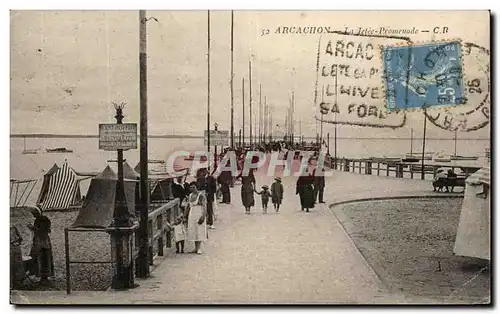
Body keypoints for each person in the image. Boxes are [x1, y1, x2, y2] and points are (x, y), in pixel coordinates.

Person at [27, 206, 54, 283]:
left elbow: (44, 231)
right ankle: (40, 276)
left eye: (34, 213)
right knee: (38, 257)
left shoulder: (44, 219)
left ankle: (44, 277)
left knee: (43, 257)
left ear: (38, 212)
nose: (33, 215)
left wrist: (33, 228)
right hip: (40, 240)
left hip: (42, 241)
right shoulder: (38, 220)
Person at [184, 182, 208, 254]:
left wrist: (203, 216)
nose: (192, 189)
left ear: (197, 187)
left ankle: (199, 248)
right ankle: (195, 247)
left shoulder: (201, 195)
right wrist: (185, 216)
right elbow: (188, 206)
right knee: (193, 230)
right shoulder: (190, 195)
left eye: (193, 187)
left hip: (199, 213)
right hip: (192, 214)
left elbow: (204, 206)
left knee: (199, 230)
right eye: (191, 187)